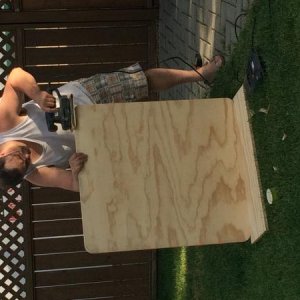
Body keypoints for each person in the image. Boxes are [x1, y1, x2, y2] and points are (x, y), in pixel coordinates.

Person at [0, 56, 224, 192]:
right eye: (25, 164)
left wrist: (38, 95)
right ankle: (206, 130)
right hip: (105, 136)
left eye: (20, 156)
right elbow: (73, 184)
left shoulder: (5, 124)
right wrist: (76, 171)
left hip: (86, 96)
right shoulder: (34, 174)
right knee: (153, 129)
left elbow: (16, 76)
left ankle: (201, 74)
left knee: (141, 82)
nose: (27, 157)